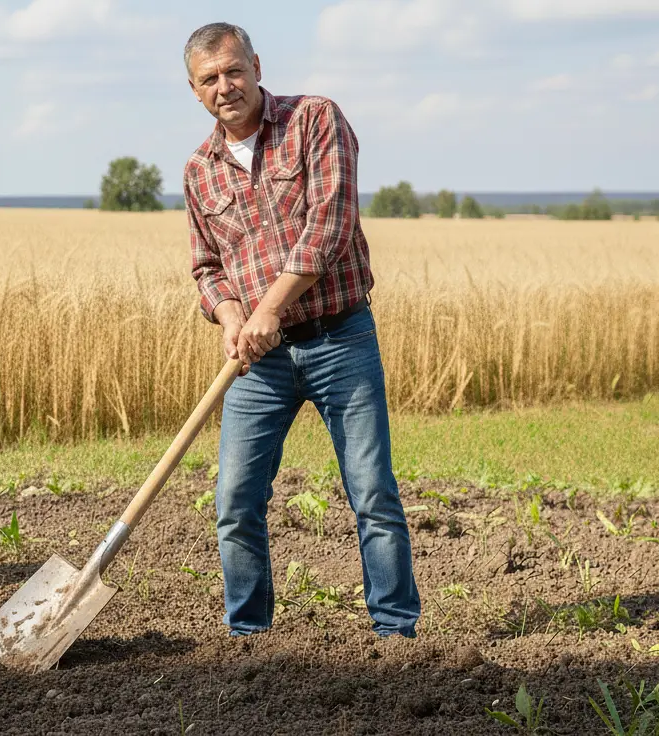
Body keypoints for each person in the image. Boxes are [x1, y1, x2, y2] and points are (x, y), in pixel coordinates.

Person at [182, 22, 421, 639]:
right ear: (195, 90)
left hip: (340, 338)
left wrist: (268, 309)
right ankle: (248, 637)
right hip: (258, 364)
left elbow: (329, 225)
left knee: (371, 492)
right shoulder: (199, 171)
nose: (225, 87)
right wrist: (231, 316)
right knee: (235, 501)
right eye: (209, 79)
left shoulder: (314, 119)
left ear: (257, 66)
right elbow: (207, 268)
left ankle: (395, 633)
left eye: (234, 70)